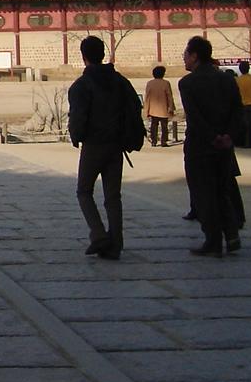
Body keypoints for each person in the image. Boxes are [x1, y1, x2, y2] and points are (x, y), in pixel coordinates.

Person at [67, 36, 136, 260]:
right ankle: (116, 242)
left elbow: (78, 116)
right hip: (116, 144)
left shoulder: (81, 85)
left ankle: (98, 234)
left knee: (84, 191)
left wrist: (76, 136)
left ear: (83, 56)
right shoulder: (120, 81)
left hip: (94, 144)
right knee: (113, 196)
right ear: (103, 54)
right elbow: (133, 107)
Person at [179, 36, 245, 257]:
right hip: (224, 145)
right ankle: (232, 234)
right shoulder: (227, 79)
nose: (184, 59)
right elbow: (237, 110)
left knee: (202, 193)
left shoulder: (187, 83)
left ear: (195, 56)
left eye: (186, 54)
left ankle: (213, 239)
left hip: (200, 145)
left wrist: (212, 137)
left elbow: (195, 117)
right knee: (222, 190)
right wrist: (228, 136)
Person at [143, 65, 175, 147]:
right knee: (164, 126)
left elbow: (147, 97)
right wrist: (171, 107)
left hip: (153, 109)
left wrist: (146, 110)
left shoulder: (150, 83)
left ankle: (154, 141)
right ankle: (163, 141)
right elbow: (169, 96)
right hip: (164, 109)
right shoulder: (166, 83)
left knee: (154, 126)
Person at [235, 60, 251, 149]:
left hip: (242, 105)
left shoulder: (238, 80)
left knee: (245, 125)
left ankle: (246, 142)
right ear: (249, 69)